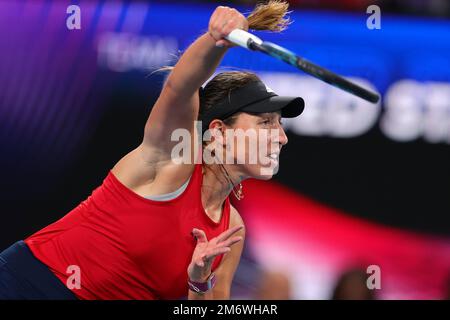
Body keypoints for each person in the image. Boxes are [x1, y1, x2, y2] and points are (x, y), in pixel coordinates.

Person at [0, 1, 304, 300]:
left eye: (279, 125)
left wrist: (198, 282)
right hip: (29, 284)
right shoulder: (173, 160)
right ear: (219, 132)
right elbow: (179, 88)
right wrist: (217, 41)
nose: (281, 137)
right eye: (265, 123)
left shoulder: (232, 230)